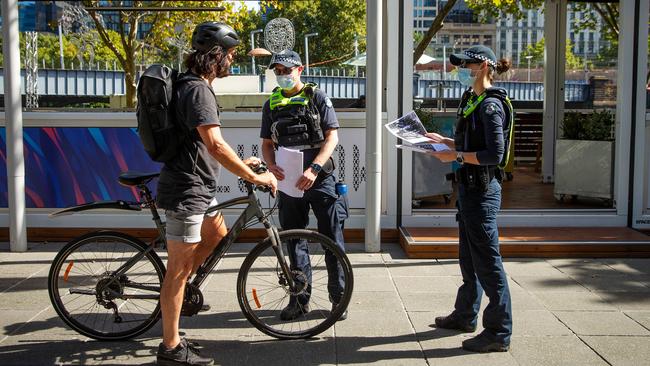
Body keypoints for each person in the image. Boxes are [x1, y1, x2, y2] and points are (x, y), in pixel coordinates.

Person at [156, 22, 277, 366]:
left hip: (198, 187)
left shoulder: (194, 87)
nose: (234, 59)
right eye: (231, 53)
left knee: (218, 235)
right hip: (186, 190)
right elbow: (215, 144)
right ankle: (170, 347)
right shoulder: (197, 91)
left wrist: (244, 162)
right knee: (178, 269)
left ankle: (180, 297)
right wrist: (255, 175)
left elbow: (206, 145)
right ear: (216, 55)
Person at [427, 45, 514, 353]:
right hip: (468, 189)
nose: (460, 69)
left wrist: (456, 155)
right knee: (469, 257)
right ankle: (465, 315)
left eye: (465, 64)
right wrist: (445, 142)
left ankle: (498, 332)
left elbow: (494, 155)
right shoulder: (471, 99)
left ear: (483, 67)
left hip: (482, 191)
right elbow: (468, 143)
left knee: (488, 263)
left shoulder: (491, 105)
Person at [260, 50, 349, 321]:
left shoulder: (317, 97)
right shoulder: (271, 104)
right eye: (278, 71)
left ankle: (339, 298)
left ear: (300, 69)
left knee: (332, 239)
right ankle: (299, 299)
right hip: (289, 183)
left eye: (287, 70)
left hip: (320, 180)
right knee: (294, 240)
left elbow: (332, 137)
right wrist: (271, 166)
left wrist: (315, 168)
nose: (283, 75)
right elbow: (266, 143)